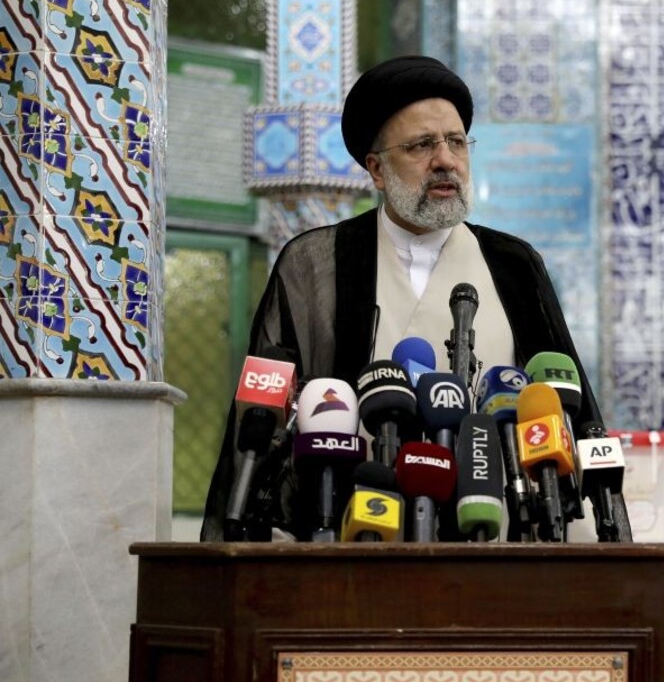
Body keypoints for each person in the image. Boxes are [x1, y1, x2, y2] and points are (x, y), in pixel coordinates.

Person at [200, 55, 601, 541]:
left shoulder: (514, 263)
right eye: (421, 145)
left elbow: (571, 414)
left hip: (494, 544)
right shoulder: (315, 263)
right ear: (377, 169)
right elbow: (261, 424)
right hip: (350, 542)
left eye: (456, 142)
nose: (446, 160)